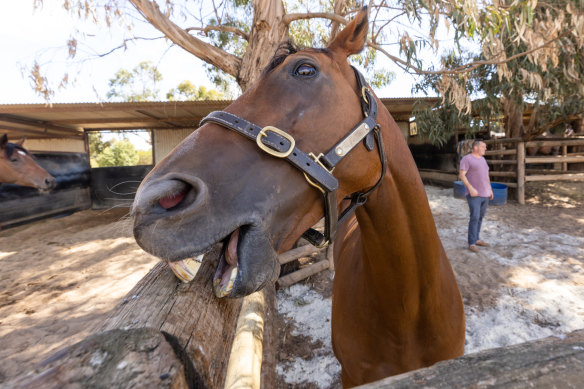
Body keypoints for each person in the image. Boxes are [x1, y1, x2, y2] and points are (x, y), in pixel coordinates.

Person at [459, 140, 493, 252]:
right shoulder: (467, 159)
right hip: (474, 194)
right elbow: (462, 175)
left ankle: (477, 239)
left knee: (480, 217)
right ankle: (472, 243)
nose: (485, 148)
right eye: (483, 146)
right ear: (475, 148)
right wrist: (470, 188)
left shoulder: (483, 160)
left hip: (485, 193)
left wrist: (490, 189)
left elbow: (486, 175)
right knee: (474, 217)